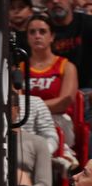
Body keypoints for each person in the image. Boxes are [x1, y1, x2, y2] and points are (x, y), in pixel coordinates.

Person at [25, 14, 79, 145]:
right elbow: (16, 106)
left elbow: (64, 102)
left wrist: (32, 107)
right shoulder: (19, 68)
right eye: (32, 32)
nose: (37, 36)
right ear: (27, 37)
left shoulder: (66, 66)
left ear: (52, 37)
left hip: (58, 120)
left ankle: (60, 156)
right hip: (29, 120)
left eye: (42, 31)